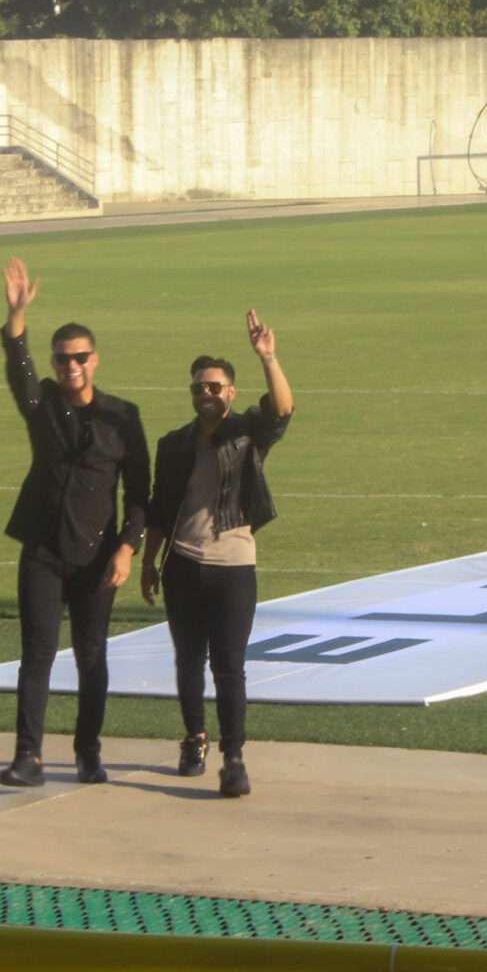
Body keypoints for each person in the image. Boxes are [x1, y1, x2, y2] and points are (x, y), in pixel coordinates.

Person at [0, 257, 150, 788]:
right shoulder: (43, 406)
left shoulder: (123, 416)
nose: (71, 366)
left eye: (80, 357)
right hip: (42, 549)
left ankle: (88, 751)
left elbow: (140, 492)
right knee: (36, 654)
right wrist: (17, 317)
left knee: (91, 657)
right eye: (63, 359)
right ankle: (28, 756)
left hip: (96, 556)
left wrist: (128, 548)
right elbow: (19, 373)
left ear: (95, 359)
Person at [141, 310, 293, 798]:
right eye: (199, 388)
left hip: (233, 567)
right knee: (188, 659)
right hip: (183, 564)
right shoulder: (174, 444)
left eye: (215, 387)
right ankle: (194, 739)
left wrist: (268, 357)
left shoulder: (246, 433)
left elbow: (283, 410)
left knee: (228, 665)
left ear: (230, 392)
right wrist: (149, 562)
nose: (206, 394)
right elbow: (160, 508)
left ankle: (234, 757)